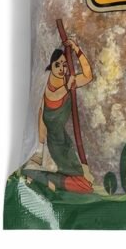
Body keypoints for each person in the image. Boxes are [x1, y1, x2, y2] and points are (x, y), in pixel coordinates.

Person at [28, 38, 94, 193]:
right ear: (51, 65)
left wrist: (76, 48)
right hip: (54, 144)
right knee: (83, 186)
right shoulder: (45, 83)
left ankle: (45, 179)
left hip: (65, 141)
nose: (61, 68)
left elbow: (88, 76)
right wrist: (40, 147)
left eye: (64, 65)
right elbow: (51, 100)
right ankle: (39, 176)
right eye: (57, 64)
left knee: (85, 184)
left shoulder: (68, 81)